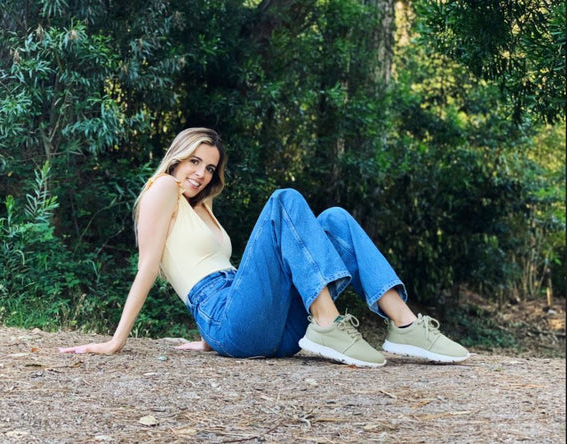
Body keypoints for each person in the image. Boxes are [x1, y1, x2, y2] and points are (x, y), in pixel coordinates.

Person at [59, 127, 469, 367]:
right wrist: (117, 341)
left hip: (269, 328)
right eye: (194, 161)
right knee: (284, 200)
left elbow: (218, 267)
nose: (202, 174)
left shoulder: (201, 207)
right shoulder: (163, 188)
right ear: (177, 158)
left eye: (210, 167)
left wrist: (209, 337)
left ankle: (405, 327)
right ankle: (328, 325)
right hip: (227, 317)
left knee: (335, 220)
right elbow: (149, 265)